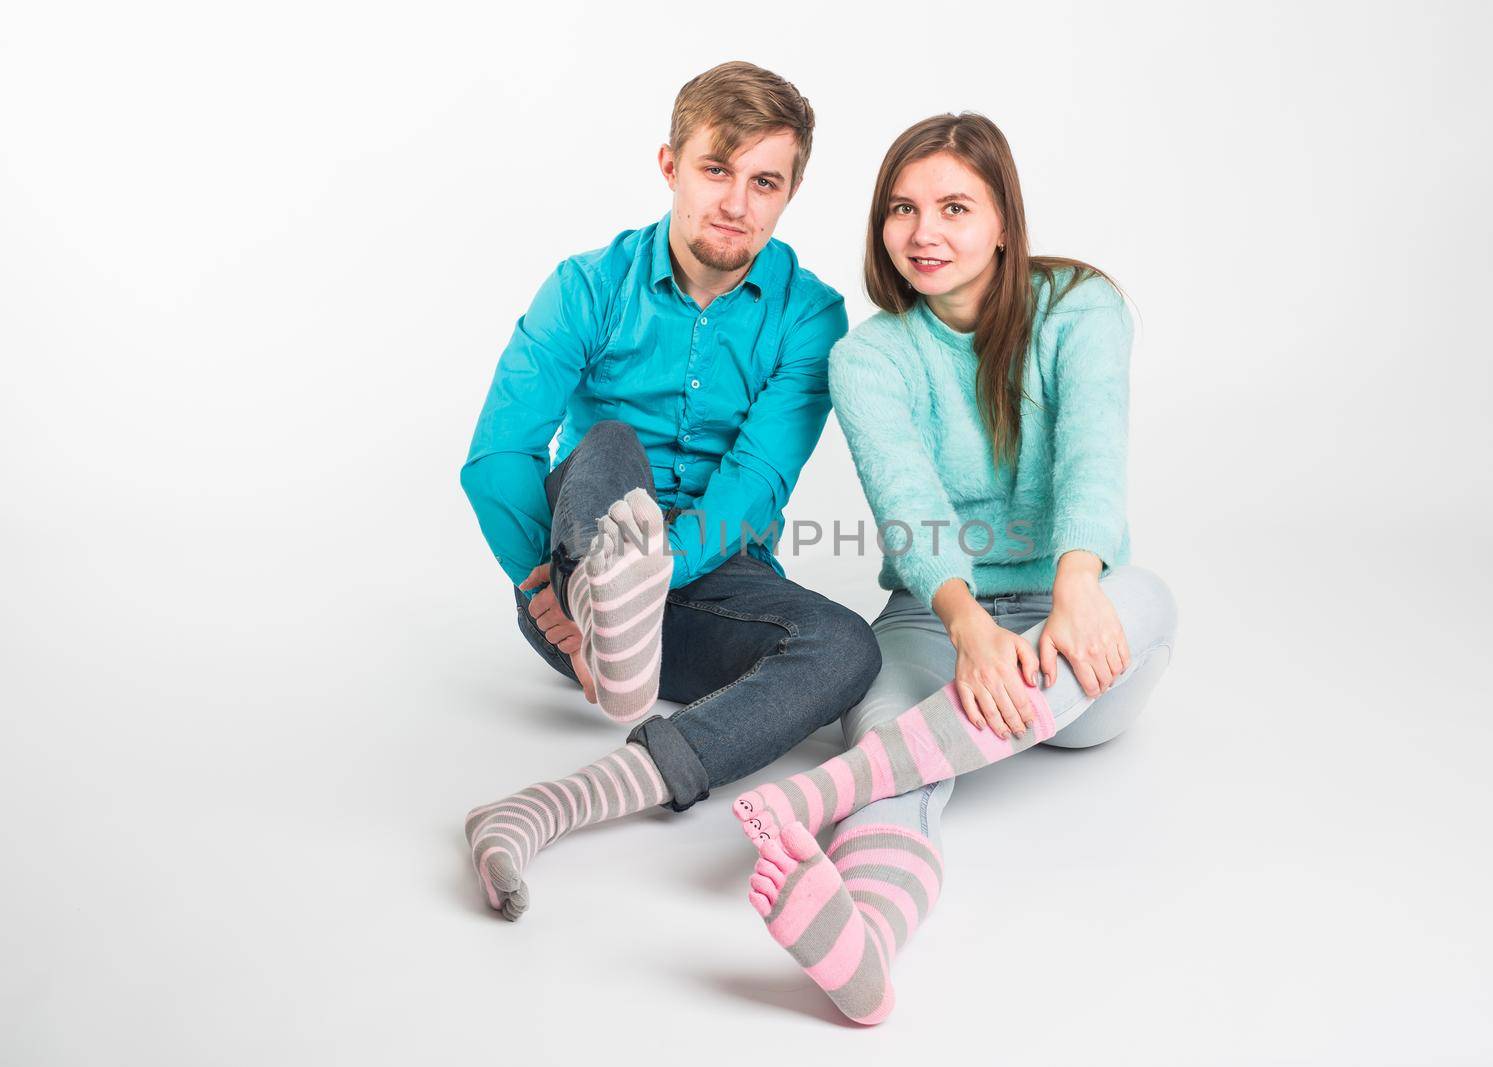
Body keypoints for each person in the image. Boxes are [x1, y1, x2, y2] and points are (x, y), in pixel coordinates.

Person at [728, 113, 1179, 1023]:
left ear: (1005, 220)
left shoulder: (1082, 306)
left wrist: (1077, 584)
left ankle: (825, 791)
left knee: (1150, 598)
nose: (922, 232)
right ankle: (867, 946)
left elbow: (1093, 451)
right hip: (938, 619)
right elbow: (907, 501)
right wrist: (969, 628)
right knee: (887, 724)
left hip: (1072, 611)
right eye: (901, 208)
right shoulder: (869, 355)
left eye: (953, 207)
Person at [458, 62, 881, 922]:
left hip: (713, 576)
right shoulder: (586, 286)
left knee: (847, 650)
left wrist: (657, 573)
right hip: (575, 581)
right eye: (716, 170)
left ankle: (541, 806)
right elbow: (498, 452)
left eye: (764, 182)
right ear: (670, 166)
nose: (736, 202)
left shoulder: (810, 316)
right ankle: (611, 623)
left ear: (790, 192)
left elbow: (757, 483)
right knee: (612, 447)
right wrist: (549, 586)